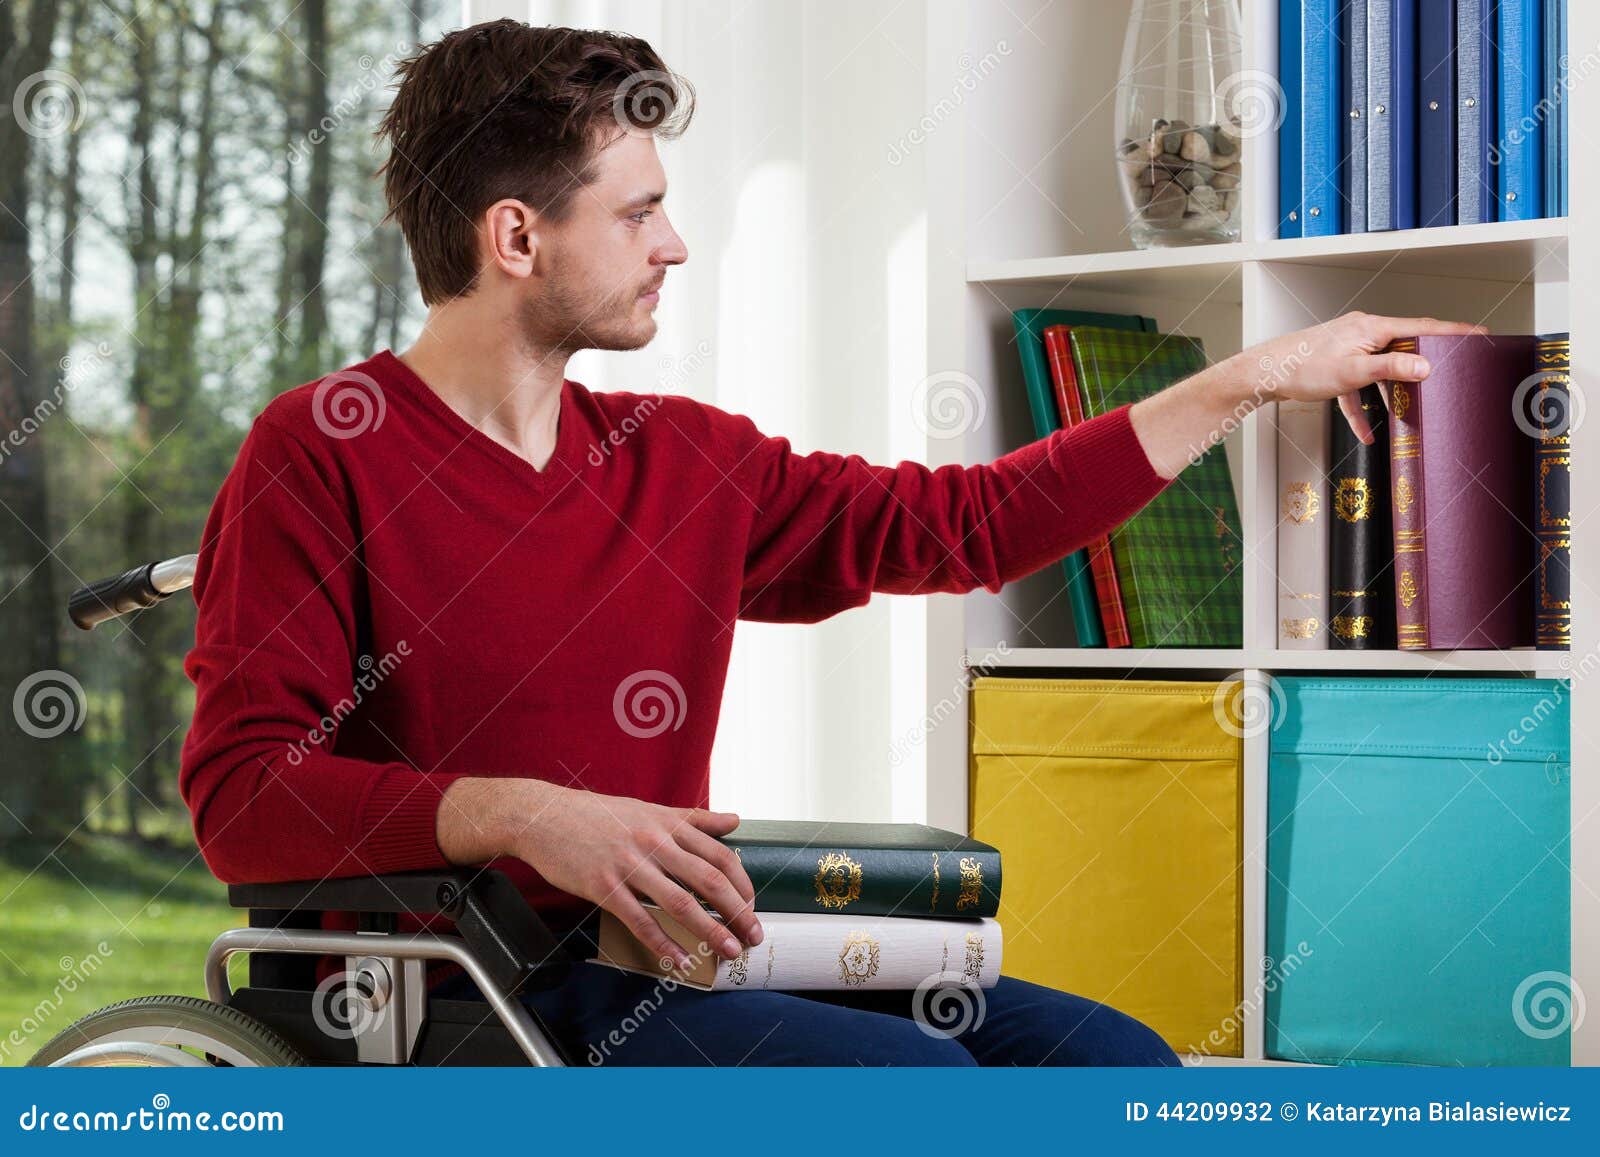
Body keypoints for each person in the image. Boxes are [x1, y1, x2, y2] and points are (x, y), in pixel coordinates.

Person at [178, 19, 1480, 1067]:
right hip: (466, 993)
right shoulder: (321, 450)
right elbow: (241, 797)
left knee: (1111, 1062)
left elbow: (967, 525)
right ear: (517, 236)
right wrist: (528, 815)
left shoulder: (680, 458)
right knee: (923, 1092)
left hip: (674, 961)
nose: (674, 244)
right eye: (638, 214)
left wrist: (1247, 379)